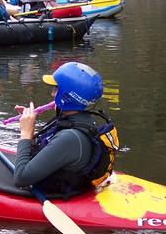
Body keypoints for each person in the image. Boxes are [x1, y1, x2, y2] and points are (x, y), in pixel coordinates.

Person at [14, 62, 119, 196]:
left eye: (56, 89)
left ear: (67, 97)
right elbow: (49, 148)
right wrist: (29, 128)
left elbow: (21, 178)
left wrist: (25, 134)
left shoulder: (69, 138)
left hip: (57, 195)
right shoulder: (80, 120)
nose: (52, 94)